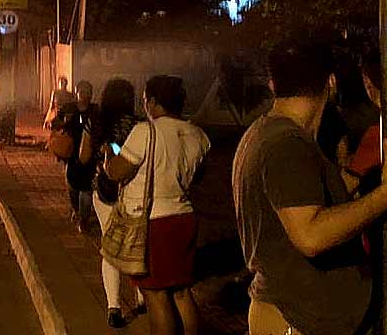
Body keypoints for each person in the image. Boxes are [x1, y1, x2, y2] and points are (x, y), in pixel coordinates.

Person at [233, 40, 387, 335]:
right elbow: (310, 235)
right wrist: (383, 196)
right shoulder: (287, 144)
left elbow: (300, 199)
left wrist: (356, 180)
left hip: (288, 311)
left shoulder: (263, 133)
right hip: (297, 320)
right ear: (331, 81)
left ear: (272, 83)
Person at [105, 75, 210, 335]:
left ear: (152, 102)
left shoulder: (145, 132)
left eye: (145, 100)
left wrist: (109, 157)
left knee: (156, 295)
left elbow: (117, 172)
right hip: (184, 218)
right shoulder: (198, 135)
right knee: (182, 292)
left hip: (154, 222)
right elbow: (199, 176)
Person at [86, 78, 145, 328]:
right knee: (135, 243)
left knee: (110, 246)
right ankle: (142, 298)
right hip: (131, 191)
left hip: (103, 191)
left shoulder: (96, 122)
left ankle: (113, 307)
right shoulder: (139, 125)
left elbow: (82, 155)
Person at [53, 80, 98, 231]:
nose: (85, 95)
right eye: (82, 91)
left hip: (89, 154)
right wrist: (63, 123)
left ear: (91, 95)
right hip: (71, 154)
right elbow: (55, 123)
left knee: (86, 188)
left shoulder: (96, 111)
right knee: (72, 184)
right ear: (76, 92)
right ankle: (76, 210)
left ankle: (83, 220)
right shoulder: (69, 108)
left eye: (88, 92)